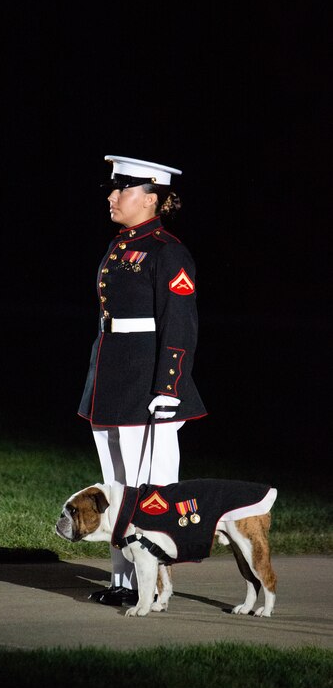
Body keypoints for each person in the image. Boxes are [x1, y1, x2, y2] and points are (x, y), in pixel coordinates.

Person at [78, 155, 207, 606]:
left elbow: (180, 322)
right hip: (113, 383)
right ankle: (121, 581)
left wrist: (168, 388)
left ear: (151, 198)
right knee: (116, 490)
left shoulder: (167, 250)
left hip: (147, 388)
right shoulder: (122, 245)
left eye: (123, 190)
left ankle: (149, 585)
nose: (112, 197)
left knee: (147, 490)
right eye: (114, 190)